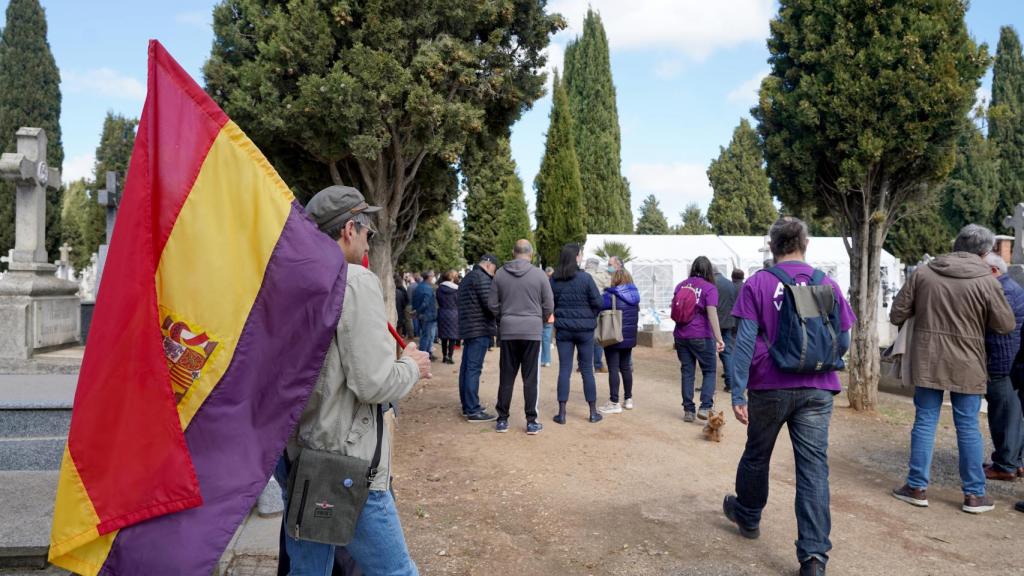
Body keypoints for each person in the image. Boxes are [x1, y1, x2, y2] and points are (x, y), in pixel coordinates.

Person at [276, 185, 430, 576]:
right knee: (397, 572)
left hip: (301, 454)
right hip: (345, 463)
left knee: (309, 571)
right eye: (367, 232)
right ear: (349, 228)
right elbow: (374, 383)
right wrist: (411, 364)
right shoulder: (354, 281)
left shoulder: (291, 283)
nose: (367, 240)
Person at [722, 216, 855, 576]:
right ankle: (813, 557)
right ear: (804, 244)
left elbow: (745, 341)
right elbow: (843, 338)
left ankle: (748, 516)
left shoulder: (758, 284)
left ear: (772, 246)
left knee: (757, 453)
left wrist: (737, 390)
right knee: (813, 469)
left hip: (769, 384)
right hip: (818, 387)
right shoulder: (825, 282)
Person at [890, 224, 1015, 515]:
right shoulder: (986, 280)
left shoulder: (923, 273)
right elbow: (1005, 325)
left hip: (928, 358)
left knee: (925, 421)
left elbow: (897, 312)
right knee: (968, 426)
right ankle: (974, 495)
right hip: (968, 361)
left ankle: (916, 487)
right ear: (985, 252)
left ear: (956, 243)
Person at [488, 239, 553, 434]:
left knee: (506, 375)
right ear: (530, 254)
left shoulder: (499, 274)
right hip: (532, 331)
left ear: (513, 252)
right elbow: (549, 304)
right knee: (530, 377)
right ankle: (531, 421)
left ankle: (502, 419)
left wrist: (504, 317)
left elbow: (492, 304)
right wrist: (537, 320)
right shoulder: (540, 275)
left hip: (508, 330)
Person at [982, 253, 1024, 481]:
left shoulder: (1002, 291)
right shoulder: (1011, 287)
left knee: (1002, 415)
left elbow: (998, 330)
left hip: (1000, 362)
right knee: (1011, 413)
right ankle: (1014, 461)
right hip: (1009, 361)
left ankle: (1005, 465)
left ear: (993, 272)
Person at [552, 244, 605, 424]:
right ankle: (592, 412)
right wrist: (590, 315)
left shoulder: (554, 280)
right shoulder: (586, 278)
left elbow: (550, 304)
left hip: (563, 330)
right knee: (587, 370)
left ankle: (562, 413)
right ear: (576, 257)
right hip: (585, 331)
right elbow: (598, 302)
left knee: (564, 369)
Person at [674, 256, 725, 422]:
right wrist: (719, 338)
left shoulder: (681, 285)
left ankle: (688, 410)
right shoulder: (709, 288)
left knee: (687, 372)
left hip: (681, 335)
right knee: (709, 370)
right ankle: (705, 406)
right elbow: (712, 313)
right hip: (701, 335)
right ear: (708, 270)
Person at [458, 254, 499, 422]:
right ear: (489, 265)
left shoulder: (468, 277)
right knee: (473, 369)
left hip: (468, 327)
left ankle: (467, 405)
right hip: (479, 328)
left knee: (467, 368)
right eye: (494, 270)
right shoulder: (482, 278)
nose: (494, 274)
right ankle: (473, 410)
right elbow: (490, 305)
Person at [597, 268, 640, 414]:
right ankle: (628, 399)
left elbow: (598, 306)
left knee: (613, 368)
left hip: (613, 335)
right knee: (626, 367)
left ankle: (614, 401)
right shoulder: (635, 295)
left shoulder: (610, 295)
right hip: (629, 337)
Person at [584, 257, 611, 373]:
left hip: (584, 309)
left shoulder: (582, 275)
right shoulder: (601, 275)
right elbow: (609, 284)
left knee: (584, 337)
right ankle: (598, 364)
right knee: (598, 336)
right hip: (597, 308)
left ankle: (583, 363)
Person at [715, 268, 739, 392]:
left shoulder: (710, 283)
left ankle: (708, 386)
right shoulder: (730, 284)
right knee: (728, 353)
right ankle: (730, 383)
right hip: (729, 322)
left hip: (715, 324)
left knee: (710, 354)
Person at [412, 270, 438, 361]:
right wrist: (418, 311)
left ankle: (427, 353)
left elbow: (415, 300)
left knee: (427, 335)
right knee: (426, 336)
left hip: (424, 315)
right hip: (428, 315)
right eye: (432, 276)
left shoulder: (419, 286)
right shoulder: (427, 288)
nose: (433, 277)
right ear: (429, 277)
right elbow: (425, 303)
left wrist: (416, 311)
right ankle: (424, 355)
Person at [436, 270, 460, 364]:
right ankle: (450, 356)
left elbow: (438, 299)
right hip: (454, 313)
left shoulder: (439, 289)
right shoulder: (457, 290)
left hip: (442, 312)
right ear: (452, 278)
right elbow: (459, 302)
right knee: (452, 337)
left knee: (444, 337)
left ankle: (444, 356)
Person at [542, 267, 555, 367]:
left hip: (542, 315)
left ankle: (543, 359)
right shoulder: (553, 284)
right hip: (549, 315)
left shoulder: (540, 284)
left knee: (542, 339)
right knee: (546, 339)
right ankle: (546, 360)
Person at [395, 274, 410, 338]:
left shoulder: (401, 290)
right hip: (400, 312)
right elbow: (406, 301)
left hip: (399, 311)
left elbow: (405, 301)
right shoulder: (401, 290)